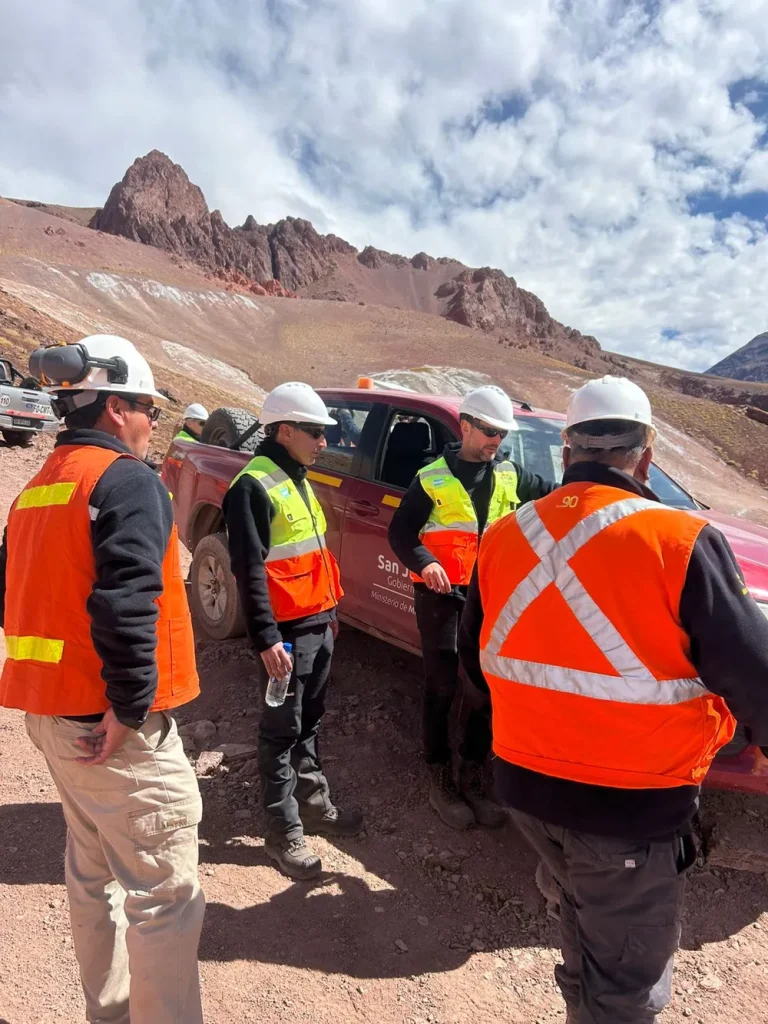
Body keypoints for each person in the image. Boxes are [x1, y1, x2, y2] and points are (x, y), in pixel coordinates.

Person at [459, 375, 768, 1024]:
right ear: (646, 455)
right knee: (625, 992)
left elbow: (476, 662)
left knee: (582, 927)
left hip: (522, 789)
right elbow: (753, 669)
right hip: (626, 810)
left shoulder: (505, 537)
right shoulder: (679, 539)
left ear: (567, 453)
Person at [0, 334, 204, 1024]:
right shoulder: (125, 480)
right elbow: (127, 596)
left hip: (56, 720)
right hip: (112, 731)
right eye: (148, 408)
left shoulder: (38, 488)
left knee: (93, 876)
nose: (153, 424)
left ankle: (110, 1014)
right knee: (165, 896)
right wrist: (128, 703)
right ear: (117, 407)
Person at [388, 384, 556, 829]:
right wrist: (425, 564)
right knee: (442, 685)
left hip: (493, 600)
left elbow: (559, 494)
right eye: (488, 431)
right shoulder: (431, 478)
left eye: (502, 434)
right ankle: (439, 774)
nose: (496, 441)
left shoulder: (510, 474)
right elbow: (401, 534)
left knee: (485, 689)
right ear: (465, 426)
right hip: (441, 598)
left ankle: (472, 770)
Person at [223, 381, 363, 880]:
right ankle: (282, 832)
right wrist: (264, 639)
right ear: (285, 431)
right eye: (316, 433)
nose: (326, 442)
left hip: (316, 624)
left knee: (311, 721)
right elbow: (250, 569)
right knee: (281, 730)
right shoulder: (253, 486)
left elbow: (311, 557)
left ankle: (313, 803)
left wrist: (329, 613)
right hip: (284, 636)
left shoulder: (296, 478)